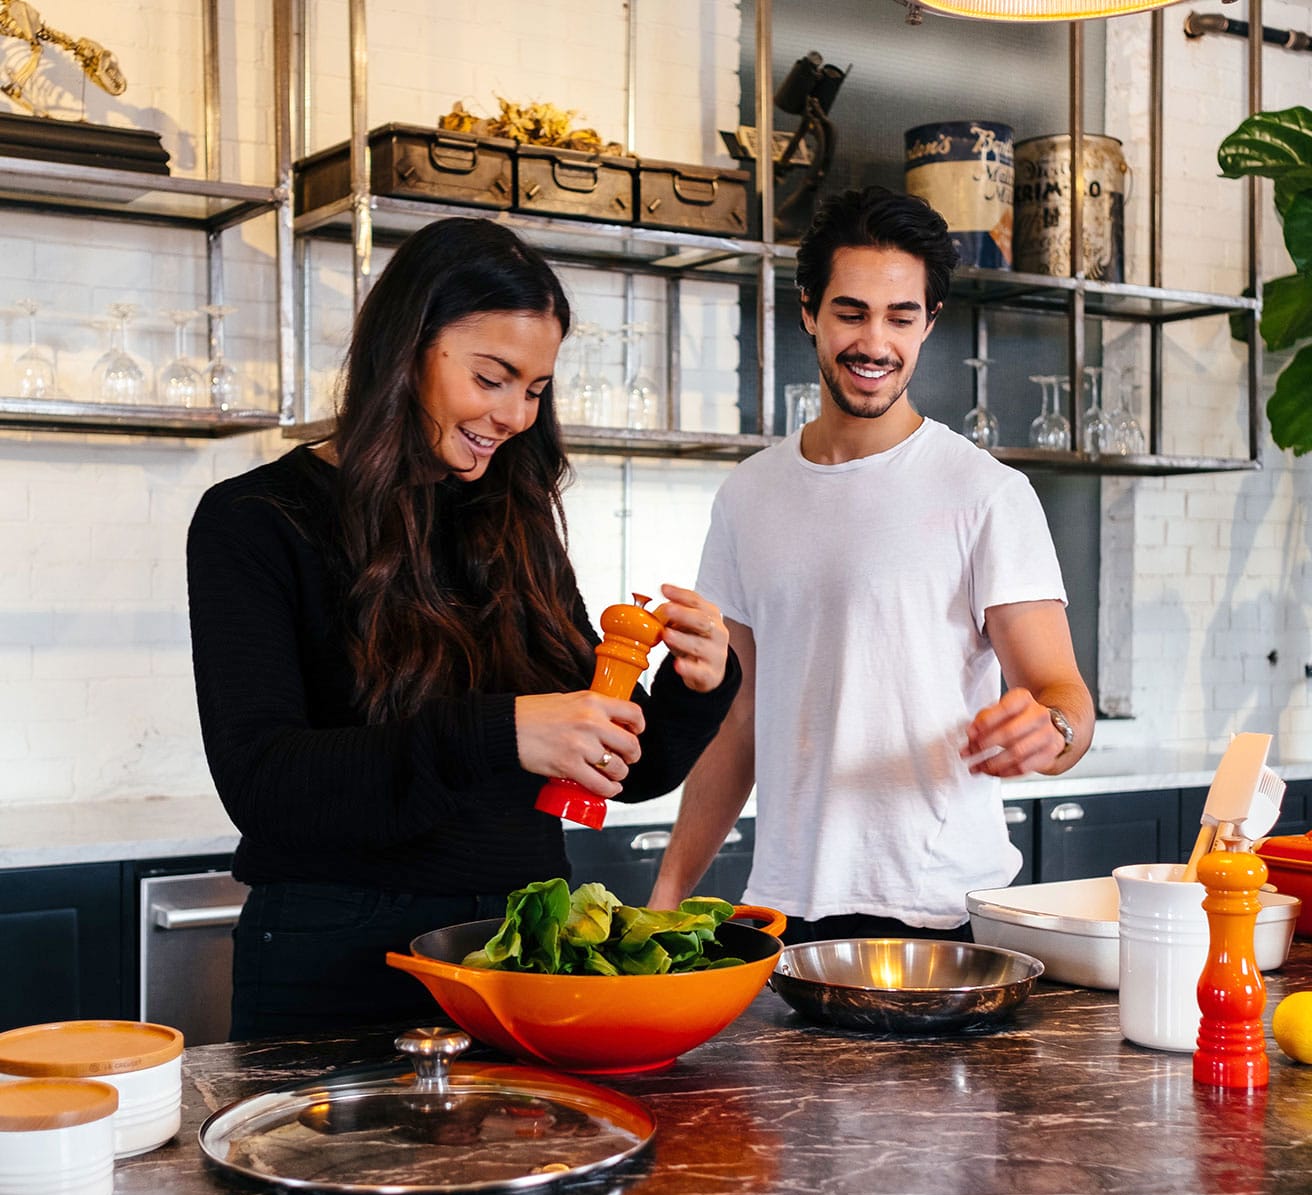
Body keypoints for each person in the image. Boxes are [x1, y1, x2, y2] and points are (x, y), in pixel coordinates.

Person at [187, 216, 739, 1041]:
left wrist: (696, 686)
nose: (515, 414)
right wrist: (502, 733)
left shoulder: (516, 522)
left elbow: (613, 772)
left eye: (536, 389)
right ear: (408, 348)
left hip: (523, 958)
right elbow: (264, 786)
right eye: (493, 377)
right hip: (335, 971)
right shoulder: (255, 521)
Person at [648, 184, 1093, 944]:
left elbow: (1064, 701)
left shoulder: (987, 493)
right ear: (809, 313)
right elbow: (738, 720)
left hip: (943, 915)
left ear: (930, 324)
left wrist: (1048, 732)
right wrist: (665, 899)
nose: (874, 342)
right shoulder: (750, 494)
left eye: (901, 316)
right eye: (851, 312)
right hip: (784, 913)